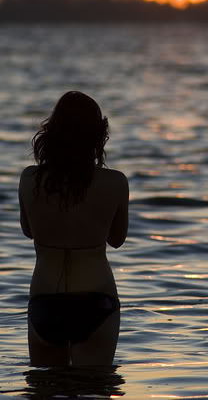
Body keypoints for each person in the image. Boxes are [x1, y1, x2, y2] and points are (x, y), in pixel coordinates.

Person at [18, 91, 129, 367]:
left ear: (51, 132)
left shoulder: (30, 180)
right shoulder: (115, 182)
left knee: (44, 387)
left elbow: (28, 230)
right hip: (96, 301)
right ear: (98, 136)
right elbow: (117, 240)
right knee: (96, 389)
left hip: (45, 302)